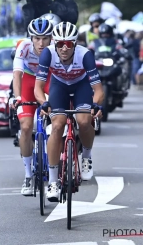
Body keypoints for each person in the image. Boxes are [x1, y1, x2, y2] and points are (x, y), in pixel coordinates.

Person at [34, 22, 104, 202]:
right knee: (57, 126)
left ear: (75, 44)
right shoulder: (47, 54)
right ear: (54, 44)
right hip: (59, 86)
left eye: (69, 44)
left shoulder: (85, 55)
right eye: (60, 44)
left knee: (83, 120)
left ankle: (86, 157)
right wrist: (44, 103)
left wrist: (95, 105)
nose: (64, 48)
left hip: (81, 86)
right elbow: (38, 88)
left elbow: (98, 90)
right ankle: (52, 181)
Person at [12, 18, 53, 196]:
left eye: (45, 38)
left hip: (49, 79)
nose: (41, 43)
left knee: (58, 119)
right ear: (31, 38)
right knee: (27, 126)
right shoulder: (24, 47)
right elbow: (17, 74)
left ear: (51, 38)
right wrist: (17, 97)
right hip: (29, 81)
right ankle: (28, 175)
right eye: (37, 38)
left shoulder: (56, 48)